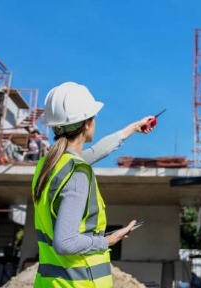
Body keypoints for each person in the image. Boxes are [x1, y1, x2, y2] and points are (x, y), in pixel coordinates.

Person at [32, 82, 155, 287]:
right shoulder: (77, 173)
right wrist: (109, 240)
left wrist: (134, 127)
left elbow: (96, 151)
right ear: (87, 123)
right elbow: (66, 243)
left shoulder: (48, 166)